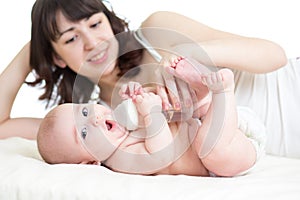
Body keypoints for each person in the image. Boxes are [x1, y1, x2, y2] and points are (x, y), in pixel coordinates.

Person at [0, 0, 291, 157]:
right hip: (278, 148)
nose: (92, 42)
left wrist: (187, 53)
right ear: (57, 58)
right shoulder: (99, 123)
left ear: (108, 20)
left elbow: (274, 54)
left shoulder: (155, 31)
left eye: (95, 23)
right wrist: (34, 49)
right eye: (72, 38)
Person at [37, 67, 265, 177]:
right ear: (89, 163)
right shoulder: (120, 160)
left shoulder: (120, 125)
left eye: (85, 112)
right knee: (210, 149)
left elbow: (161, 114)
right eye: (84, 134)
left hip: (213, 123)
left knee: (181, 109)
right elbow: (161, 154)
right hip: (226, 150)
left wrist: (137, 96)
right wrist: (151, 113)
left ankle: (202, 93)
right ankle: (222, 92)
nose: (95, 119)